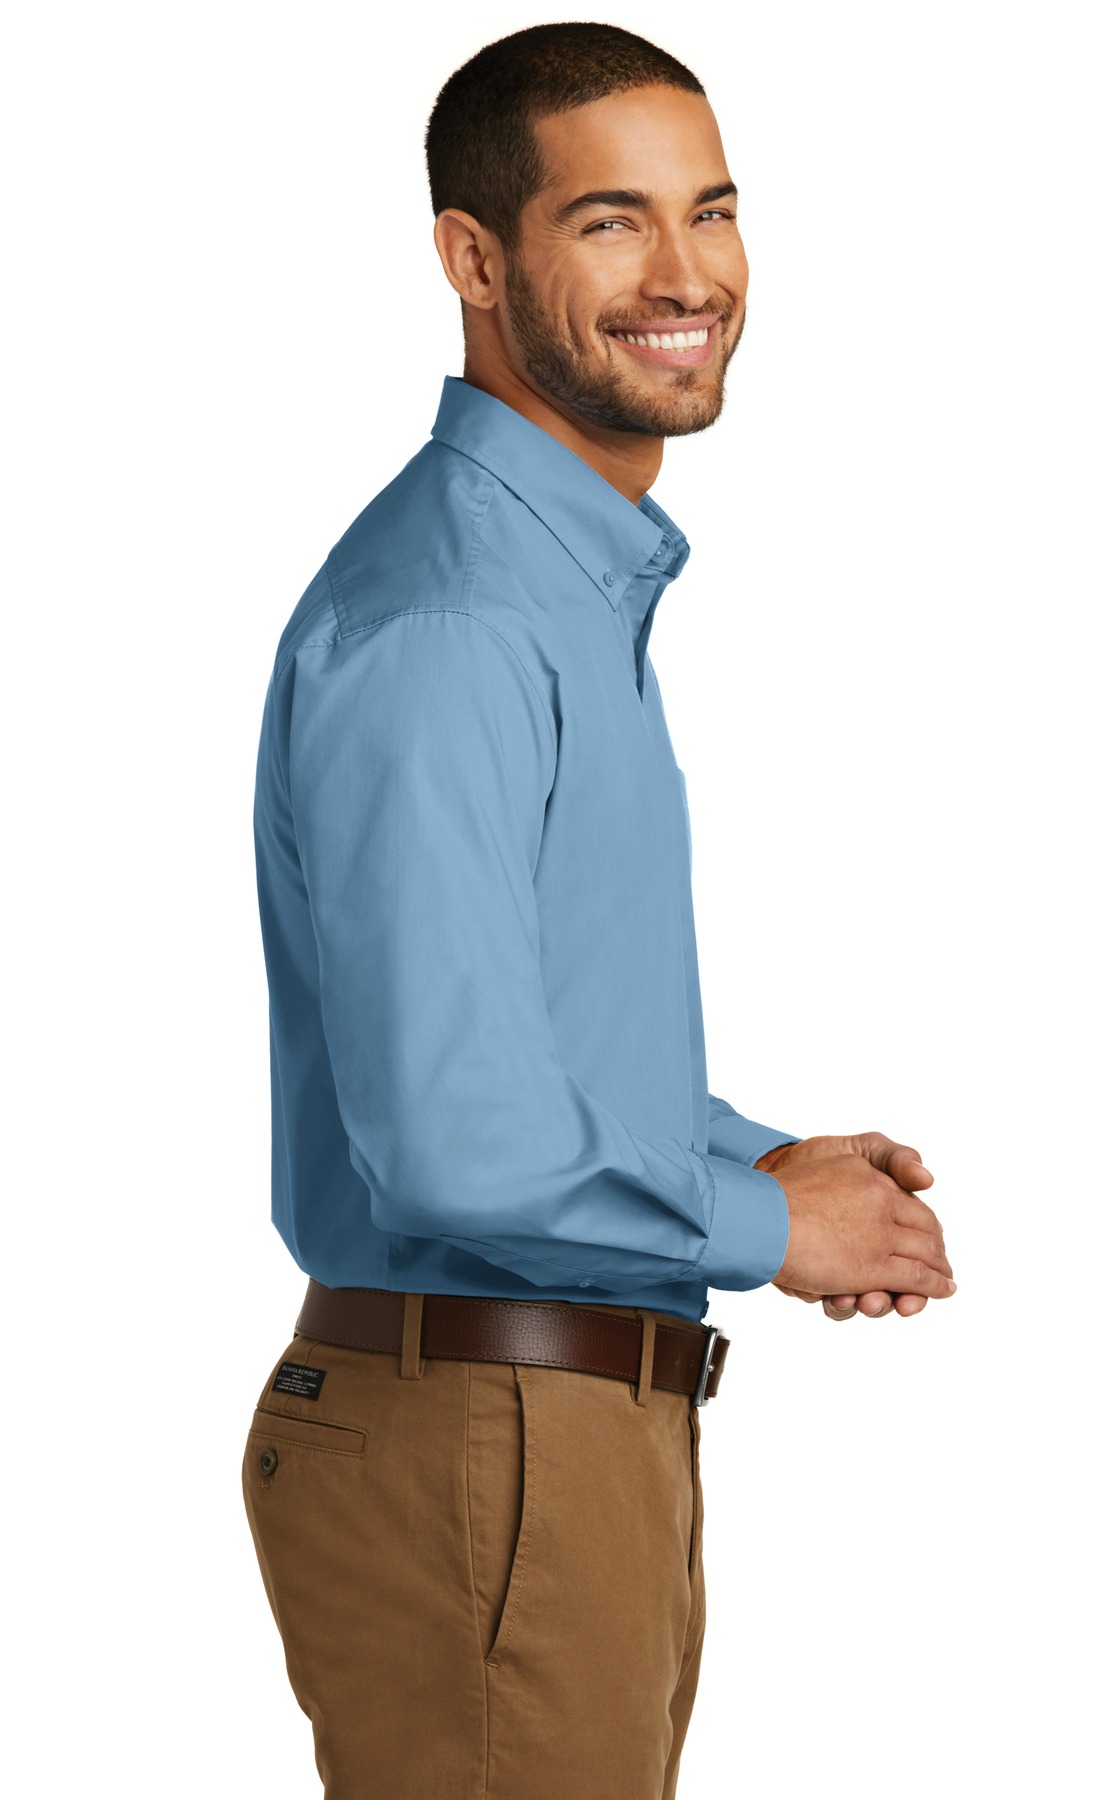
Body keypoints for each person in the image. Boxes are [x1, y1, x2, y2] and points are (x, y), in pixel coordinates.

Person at [241, 22, 956, 1800]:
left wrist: (766, 1160)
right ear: (474, 259)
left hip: (553, 1434)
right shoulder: (456, 623)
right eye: (611, 221)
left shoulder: (558, 590)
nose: (689, 276)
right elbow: (453, 1142)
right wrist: (762, 1226)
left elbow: (528, 1048)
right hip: (488, 1440)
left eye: (711, 211)